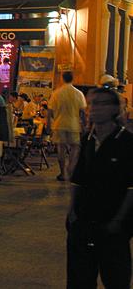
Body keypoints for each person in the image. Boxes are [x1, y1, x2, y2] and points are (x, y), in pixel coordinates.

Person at [67, 87, 133, 289]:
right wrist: (72, 213)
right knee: (80, 279)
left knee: (115, 279)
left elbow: (131, 187)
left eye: (101, 103)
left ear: (115, 109)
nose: (94, 108)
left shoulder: (126, 142)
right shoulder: (88, 139)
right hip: (83, 221)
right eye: (92, 103)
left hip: (112, 225)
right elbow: (77, 180)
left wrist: (118, 220)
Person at [47, 71, 86, 181]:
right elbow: (82, 112)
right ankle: (71, 167)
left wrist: (48, 125)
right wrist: (85, 125)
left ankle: (62, 173)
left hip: (58, 124)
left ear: (62, 79)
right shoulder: (78, 93)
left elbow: (49, 112)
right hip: (74, 124)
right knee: (75, 147)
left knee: (61, 148)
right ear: (72, 79)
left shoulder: (56, 93)